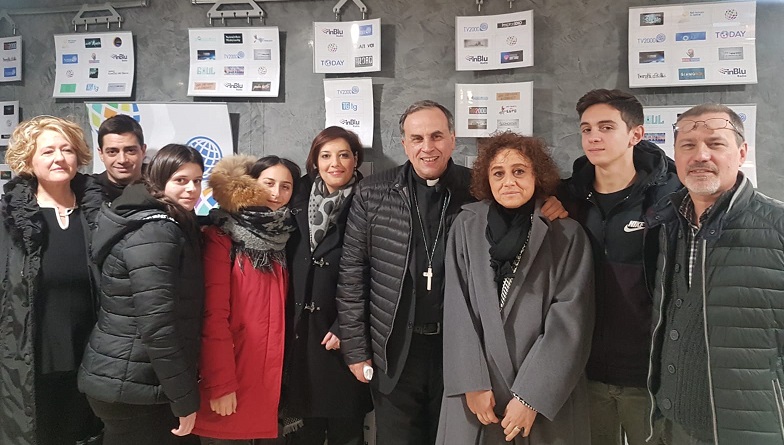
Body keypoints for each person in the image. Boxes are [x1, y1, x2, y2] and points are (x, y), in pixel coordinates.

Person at [336, 100, 567, 444]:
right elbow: (352, 273)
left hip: (460, 349)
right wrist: (356, 349)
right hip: (395, 349)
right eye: (417, 138)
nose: (427, 147)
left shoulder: (478, 188)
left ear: (453, 139)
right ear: (404, 144)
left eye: (436, 136)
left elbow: (519, 203)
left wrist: (549, 203)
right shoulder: (372, 192)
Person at [437, 131, 594, 444]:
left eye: (519, 171)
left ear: (537, 175)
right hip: (478, 395)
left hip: (541, 398)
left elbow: (570, 322)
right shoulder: (465, 227)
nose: (508, 181)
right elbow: (456, 309)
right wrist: (471, 382)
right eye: (498, 173)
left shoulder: (566, 234)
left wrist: (531, 397)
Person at [645, 104, 784, 444]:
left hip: (748, 432)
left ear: (742, 152)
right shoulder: (665, 224)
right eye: (688, 145)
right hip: (670, 426)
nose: (700, 155)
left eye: (715, 143)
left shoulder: (778, 227)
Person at [557, 89, 680, 445]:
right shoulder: (567, 199)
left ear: (635, 134)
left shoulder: (671, 198)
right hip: (586, 374)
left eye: (606, 127)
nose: (593, 137)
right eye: (586, 129)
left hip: (650, 376)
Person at [78, 144, 205, 445]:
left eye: (198, 180)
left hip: (130, 378)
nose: (191, 189)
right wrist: (184, 398)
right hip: (134, 385)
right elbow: (157, 325)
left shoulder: (158, 220)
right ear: (159, 181)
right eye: (181, 180)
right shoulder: (157, 231)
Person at [0, 115, 104, 445]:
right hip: (31, 361)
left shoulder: (99, 213)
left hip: (92, 359)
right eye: (47, 151)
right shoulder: (10, 219)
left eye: (67, 149)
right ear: (28, 159)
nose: (59, 158)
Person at [193, 155, 299, 444]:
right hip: (233, 377)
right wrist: (220, 384)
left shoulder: (285, 237)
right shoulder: (222, 236)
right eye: (269, 183)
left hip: (269, 379)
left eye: (286, 186)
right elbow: (213, 316)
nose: (276, 194)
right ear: (250, 185)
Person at [285, 127, 373, 445]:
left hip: (344, 334)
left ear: (356, 160)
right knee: (303, 430)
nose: (334, 163)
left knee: (345, 429)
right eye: (325, 156)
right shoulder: (295, 197)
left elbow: (381, 273)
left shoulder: (370, 203)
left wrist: (346, 326)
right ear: (315, 161)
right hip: (299, 332)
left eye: (343, 155)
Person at [93, 114, 147, 201]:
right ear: (101, 154)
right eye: (112, 152)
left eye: (130, 151)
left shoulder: (161, 184)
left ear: (143, 151)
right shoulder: (89, 189)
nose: (122, 160)